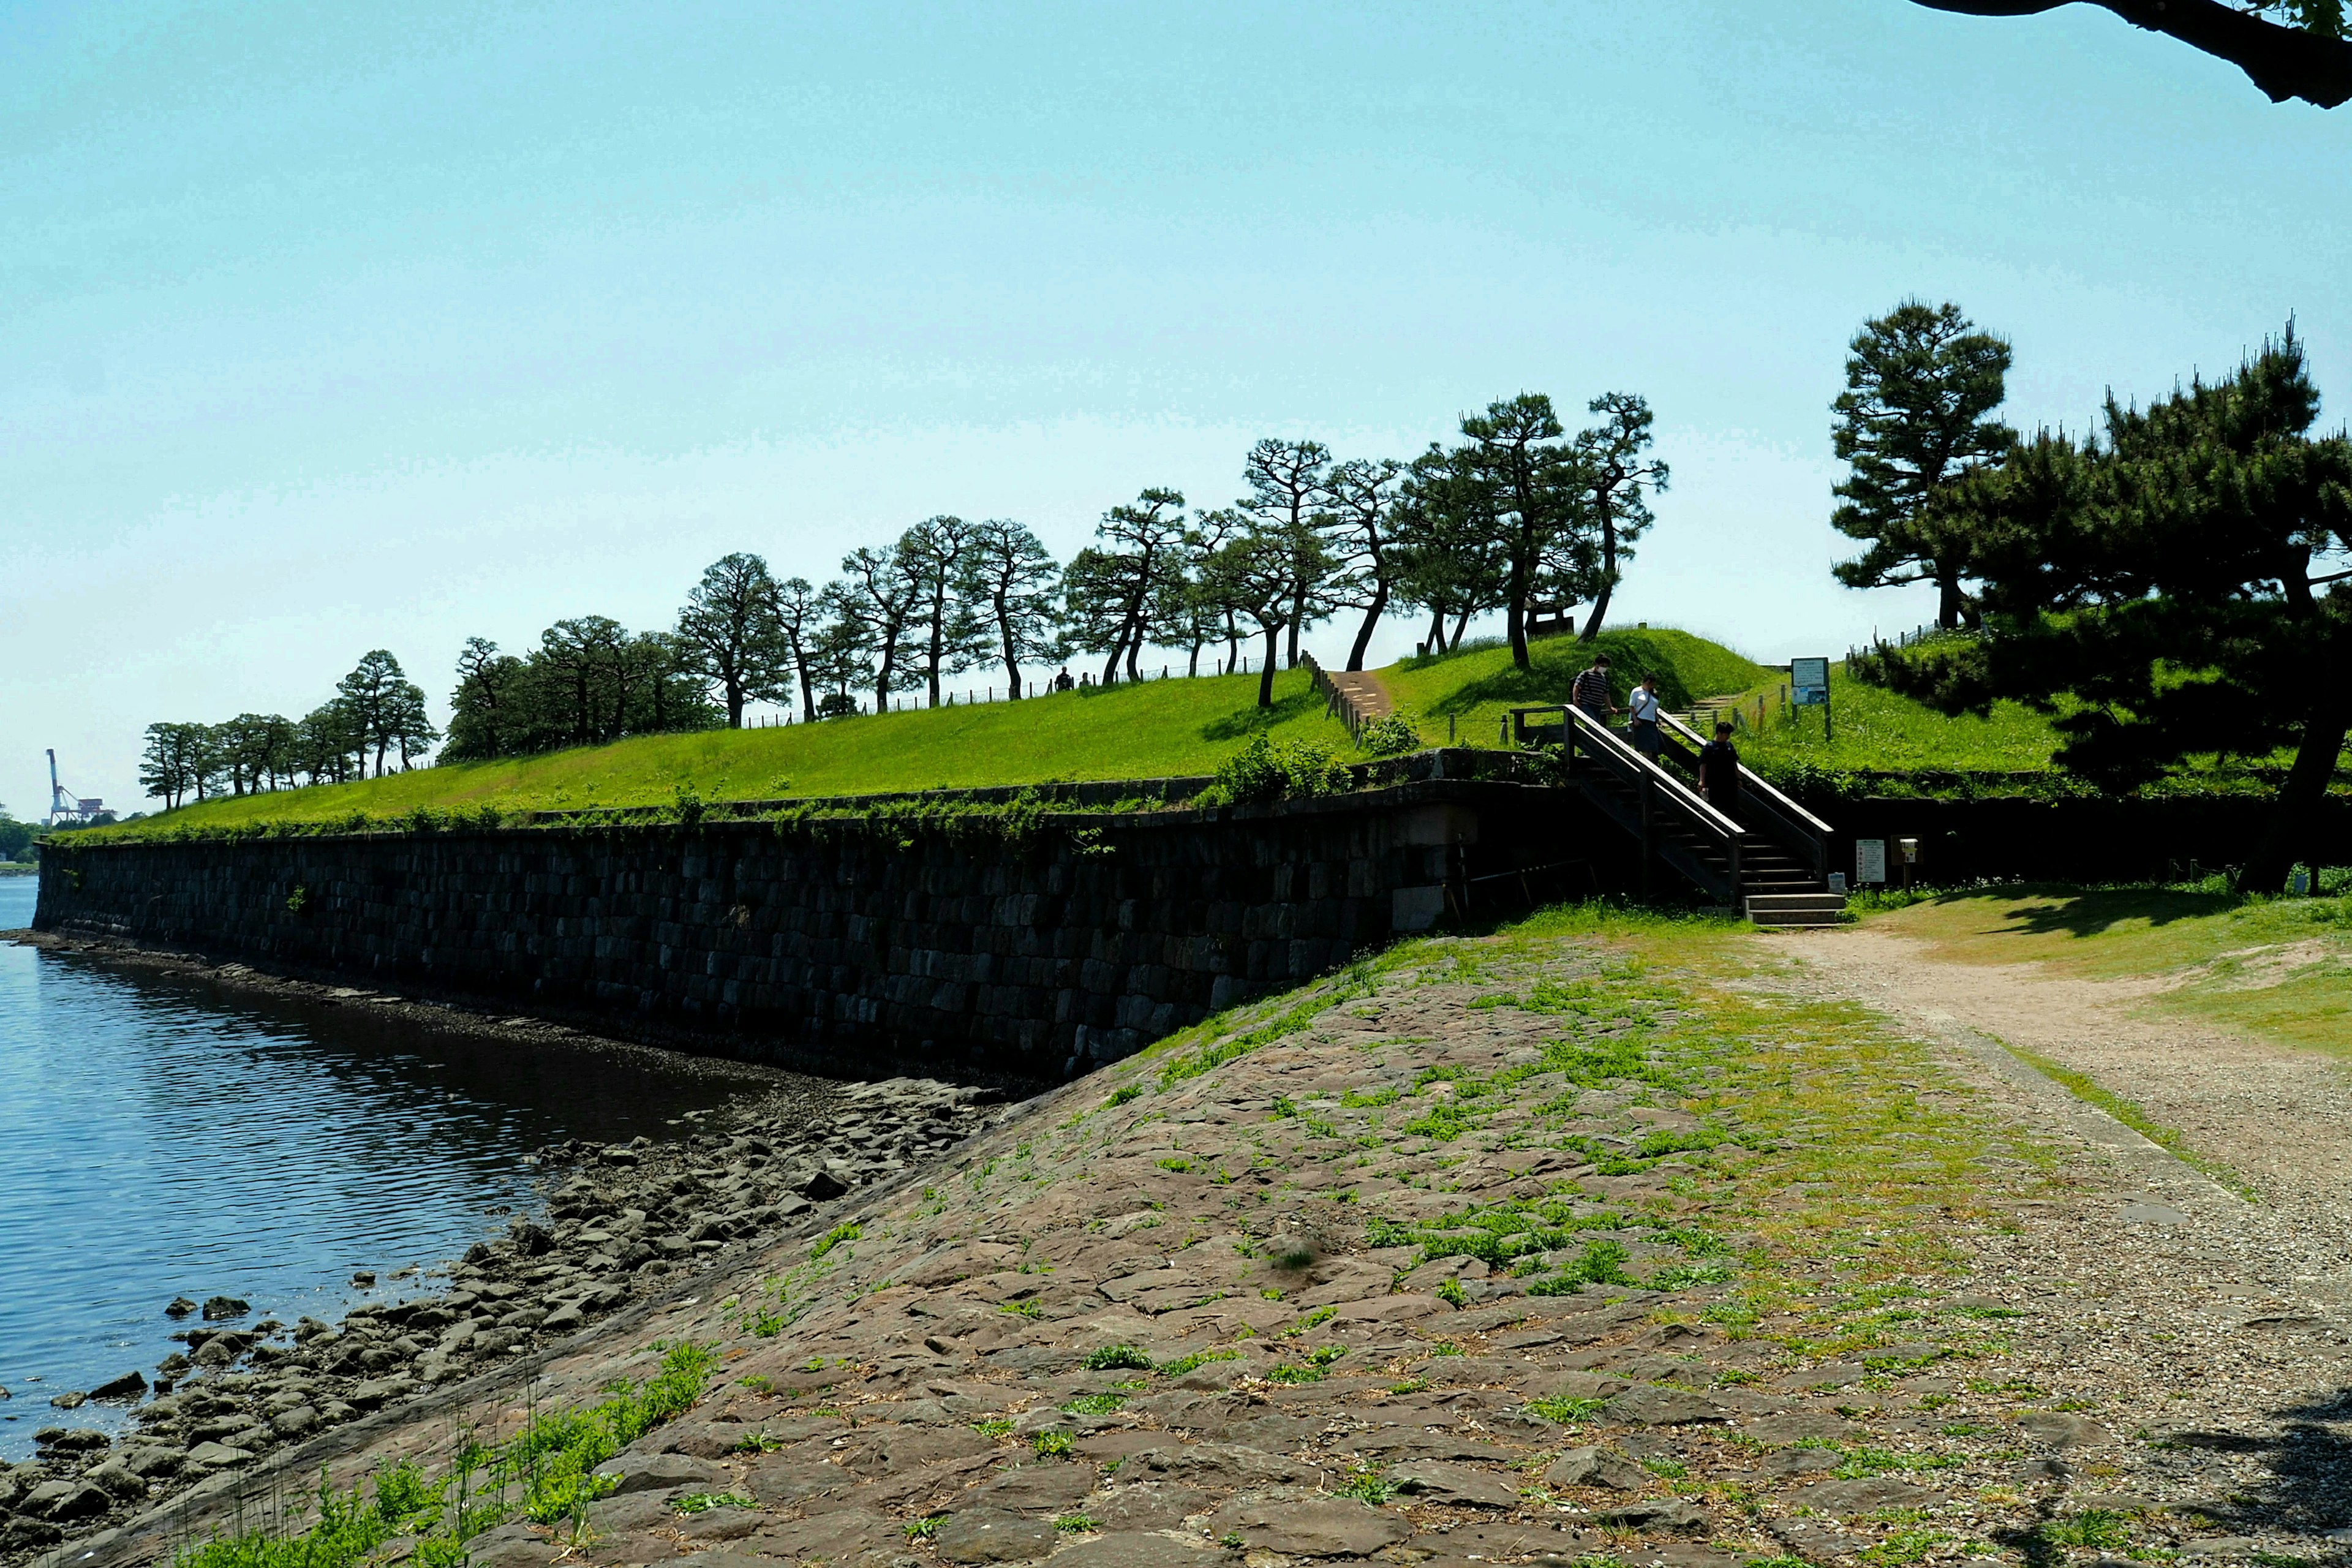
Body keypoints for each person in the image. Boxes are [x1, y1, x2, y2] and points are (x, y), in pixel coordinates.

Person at [1697, 720, 1741, 809]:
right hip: (1715, 783)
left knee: (1732, 807)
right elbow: (1703, 764)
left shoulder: (1729, 746)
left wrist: (1738, 778)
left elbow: (1734, 763)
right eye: (1726, 734)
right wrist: (1702, 780)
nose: (1728, 737)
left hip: (1730, 782)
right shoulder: (1709, 747)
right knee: (1715, 805)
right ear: (1719, 733)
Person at [1570, 653, 1615, 726]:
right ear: (1596, 664)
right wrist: (1575, 700)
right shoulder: (1586, 674)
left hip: (1597, 706)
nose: (1604, 668)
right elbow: (1577, 686)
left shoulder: (1604, 679)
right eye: (1602, 666)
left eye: (1606, 667)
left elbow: (1606, 694)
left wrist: (1610, 707)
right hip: (1586, 704)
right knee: (1593, 724)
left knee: (1594, 725)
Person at [1627, 673, 1663, 758]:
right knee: (1645, 747)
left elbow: (1654, 709)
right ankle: (1645, 766)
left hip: (1651, 722)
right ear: (1648, 682)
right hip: (1641, 721)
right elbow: (1632, 707)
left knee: (1654, 746)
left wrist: (1658, 720)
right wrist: (1635, 720)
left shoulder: (1653, 693)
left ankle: (1651, 765)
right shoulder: (1636, 691)